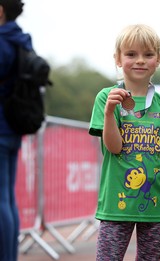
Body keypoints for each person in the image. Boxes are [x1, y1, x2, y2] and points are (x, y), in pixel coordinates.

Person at [89, 24, 160, 260]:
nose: (140, 60)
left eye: (148, 54)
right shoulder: (106, 98)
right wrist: (110, 112)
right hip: (116, 205)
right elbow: (114, 147)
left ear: (158, 59)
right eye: (131, 54)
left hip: (156, 205)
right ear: (118, 59)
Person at [0, 1, 30, 260]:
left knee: (2, 198)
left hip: (0, 125)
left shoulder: (2, 42)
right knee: (7, 197)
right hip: (13, 127)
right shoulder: (21, 39)